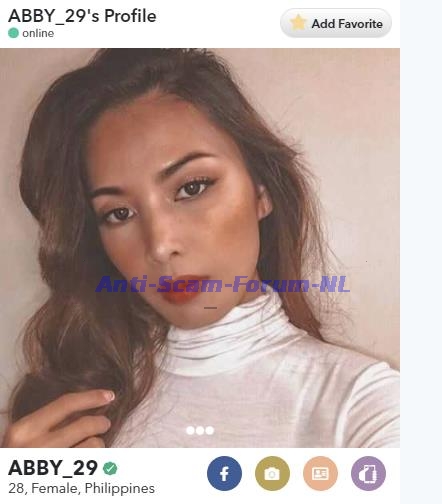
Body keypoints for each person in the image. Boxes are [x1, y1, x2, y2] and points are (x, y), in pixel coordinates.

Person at [1, 48, 399, 448]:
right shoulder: (61, 413)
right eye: (119, 213)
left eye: (192, 188)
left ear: (260, 191)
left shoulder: (365, 407)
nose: (160, 245)